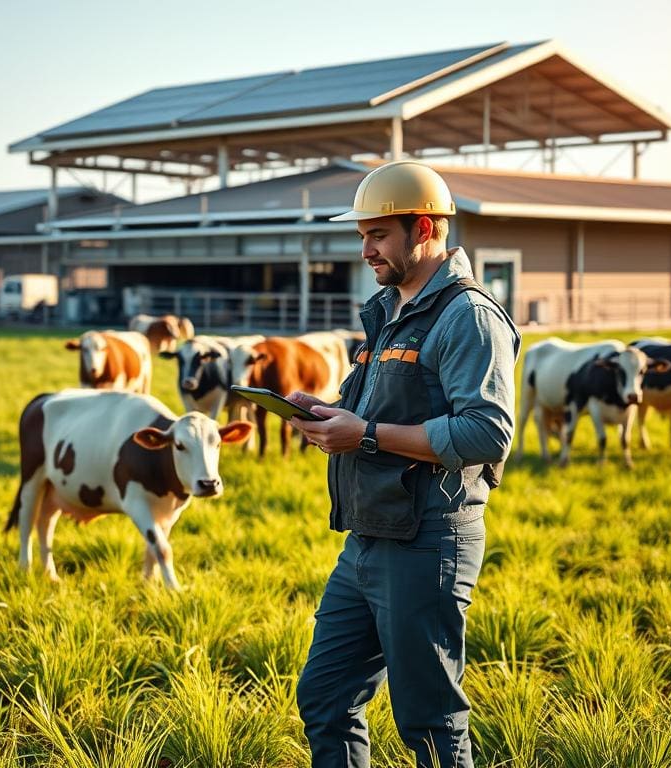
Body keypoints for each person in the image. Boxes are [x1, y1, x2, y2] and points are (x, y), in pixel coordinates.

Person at [287, 160, 520, 768]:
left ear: (423, 228)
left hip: (427, 541)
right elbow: (377, 409)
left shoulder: (467, 316)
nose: (364, 250)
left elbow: (487, 431)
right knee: (325, 697)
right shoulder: (389, 309)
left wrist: (362, 435)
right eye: (361, 235)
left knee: (429, 721)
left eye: (377, 235)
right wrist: (324, 411)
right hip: (368, 536)